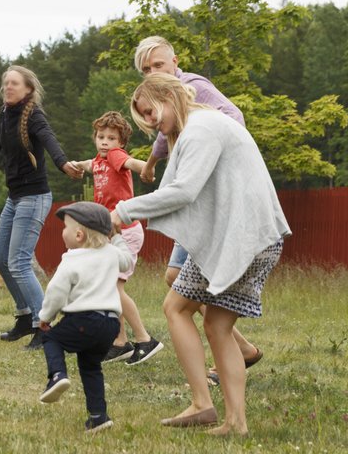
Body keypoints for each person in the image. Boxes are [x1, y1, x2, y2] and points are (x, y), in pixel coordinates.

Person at [112, 73, 291, 436]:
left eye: (150, 111)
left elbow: (184, 190)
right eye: (143, 117)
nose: (150, 122)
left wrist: (124, 211)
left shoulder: (202, 127)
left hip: (245, 240)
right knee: (206, 321)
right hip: (242, 238)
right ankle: (226, 417)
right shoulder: (202, 124)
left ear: (167, 95)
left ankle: (213, 409)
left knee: (191, 314)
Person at [134, 35, 262, 383]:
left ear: (175, 63)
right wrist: (149, 164)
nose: (152, 72)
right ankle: (242, 349)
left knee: (183, 291)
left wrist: (221, 151)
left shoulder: (193, 86)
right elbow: (164, 135)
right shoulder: (166, 99)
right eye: (146, 69)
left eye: (158, 65)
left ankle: (232, 354)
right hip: (194, 197)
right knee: (176, 278)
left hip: (205, 196)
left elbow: (234, 114)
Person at [0, 65, 83, 349]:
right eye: (6, 84)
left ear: (28, 90)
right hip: (15, 197)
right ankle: (25, 316)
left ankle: (45, 326)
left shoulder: (34, 115)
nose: (8, 88)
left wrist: (64, 164)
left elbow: (50, 139)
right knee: (1, 259)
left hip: (34, 197)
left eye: (14, 84)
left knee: (19, 262)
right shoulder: (5, 114)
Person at [67, 111, 163, 366]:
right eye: (101, 137)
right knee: (108, 288)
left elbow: (134, 164)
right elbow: (90, 165)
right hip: (109, 232)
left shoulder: (117, 156)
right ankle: (120, 343)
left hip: (126, 231)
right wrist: (77, 165)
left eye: (111, 138)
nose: (105, 142)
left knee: (116, 288)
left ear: (121, 143)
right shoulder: (99, 160)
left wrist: (148, 168)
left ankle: (145, 339)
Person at [37, 201, 133, 434]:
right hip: (111, 325)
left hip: (84, 319)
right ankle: (98, 416)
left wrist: (46, 317)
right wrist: (116, 237)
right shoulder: (111, 253)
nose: (63, 232)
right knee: (91, 366)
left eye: (65, 228)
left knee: (52, 340)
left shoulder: (71, 259)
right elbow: (127, 261)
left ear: (79, 235)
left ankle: (57, 376)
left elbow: (56, 292)